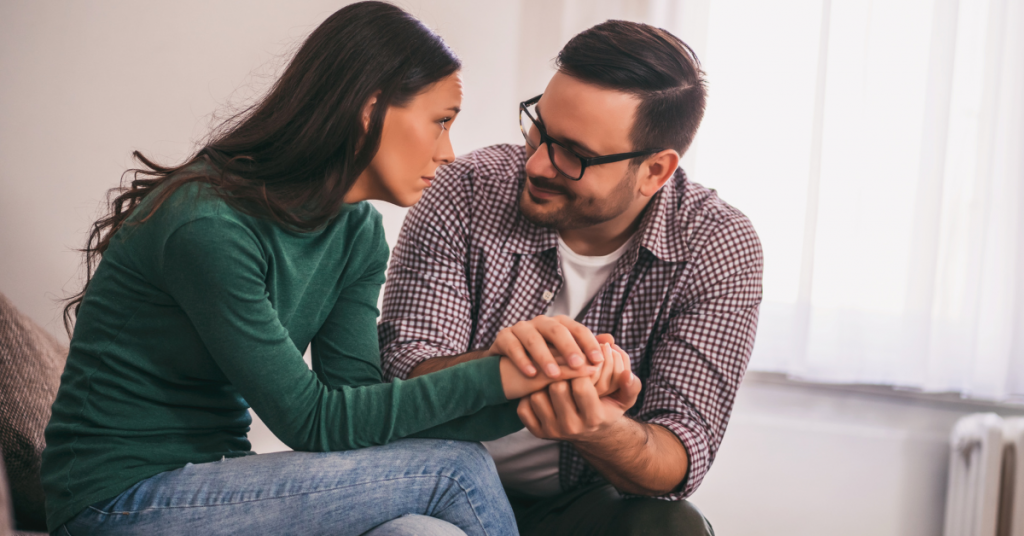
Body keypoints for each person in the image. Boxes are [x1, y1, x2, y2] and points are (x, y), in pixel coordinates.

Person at [41, 3, 630, 535]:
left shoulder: (356, 234)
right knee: (457, 470)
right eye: (441, 121)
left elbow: (361, 407)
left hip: (217, 483)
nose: (448, 152)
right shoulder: (207, 225)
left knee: (419, 532)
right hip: (117, 500)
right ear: (371, 110)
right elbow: (314, 421)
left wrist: (543, 385)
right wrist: (502, 375)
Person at [379, 20, 763, 535]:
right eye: (540, 128)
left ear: (655, 171)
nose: (537, 165)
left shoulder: (716, 244)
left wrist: (597, 426)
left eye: (575, 155)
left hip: (577, 504)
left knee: (672, 525)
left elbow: (678, 454)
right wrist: (512, 365)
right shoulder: (465, 188)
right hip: (429, 483)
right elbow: (402, 372)